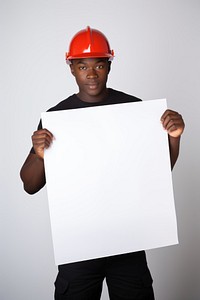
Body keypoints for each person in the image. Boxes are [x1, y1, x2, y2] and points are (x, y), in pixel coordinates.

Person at [20, 26, 185, 300]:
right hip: (79, 244)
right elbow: (30, 185)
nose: (91, 74)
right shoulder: (57, 117)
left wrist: (174, 138)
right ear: (71, 68)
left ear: (109, 65)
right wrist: (39, 154)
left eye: (99, 65)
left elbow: (157, 173)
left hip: (128, 240)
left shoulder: (134, 109)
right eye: (82, 66)